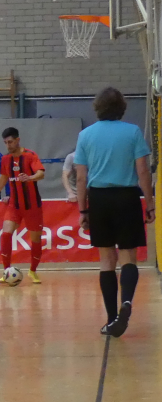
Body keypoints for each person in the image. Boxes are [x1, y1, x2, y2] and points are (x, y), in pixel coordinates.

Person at [74, 87, 154, 337]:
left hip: (99, 198)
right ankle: (126, 302)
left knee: (106, 260)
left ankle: (111, 319)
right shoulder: (133, 132)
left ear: (97, 107)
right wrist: (149, 202)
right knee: (128, 255)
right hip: (126, 197)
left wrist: (83, 209)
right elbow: (143, 171)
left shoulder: (85, 135)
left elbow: (80, 177)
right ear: (122, 108)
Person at [0, 127, 45, 285]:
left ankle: (33, 271)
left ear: (18, 140)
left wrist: (30, 178)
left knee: (36, 240)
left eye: (10, 142)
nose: (8, 145)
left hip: (32, 206)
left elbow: (41, 173)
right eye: (5, 142)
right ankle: (6, 271)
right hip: (14, 205)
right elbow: (3, 177)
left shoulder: (30, 155)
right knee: (5, 234)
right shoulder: (6, 159)